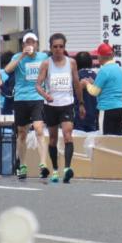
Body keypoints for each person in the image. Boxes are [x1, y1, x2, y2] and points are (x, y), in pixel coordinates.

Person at [35, 33, 82, 183]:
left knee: (68, 135)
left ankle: (67, 169)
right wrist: (45, 95)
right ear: (50, 47)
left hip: (67, 104)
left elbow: (76, 83)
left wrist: (81, 103)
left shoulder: (71, 63)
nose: (58, 49)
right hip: (51, 106)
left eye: (61, 46)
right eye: (55, 47)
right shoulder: (46, 64)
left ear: (64, 47)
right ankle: (55, 169)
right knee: (53, 139)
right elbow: (38, 85)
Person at [4, 32, 50, 179]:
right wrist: (22, 56)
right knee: (22, 132)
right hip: (21, 98)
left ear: (37, 44)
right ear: (23, 45)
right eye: (27, 43)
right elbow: (7, 70)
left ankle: (43, 164)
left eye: (33, 42)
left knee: (38, 128)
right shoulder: (17, 57)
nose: (30, 45)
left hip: (37, 97)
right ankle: (22, 165)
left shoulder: (43, 57)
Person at [85, 42, 122, 135]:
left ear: (100, 56)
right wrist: (93, 83)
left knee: (106, 139)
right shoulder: (119, 69)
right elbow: (109, 86)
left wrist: (86, 84)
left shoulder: (103, 70)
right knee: (117, 138)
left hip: (107, 108)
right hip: (120, 107)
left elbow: (94, 92)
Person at [74, 51, 99, 132]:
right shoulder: (96, 75)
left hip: (80, 113)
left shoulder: (76, 75)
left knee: (79, 140)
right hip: (94, 114)